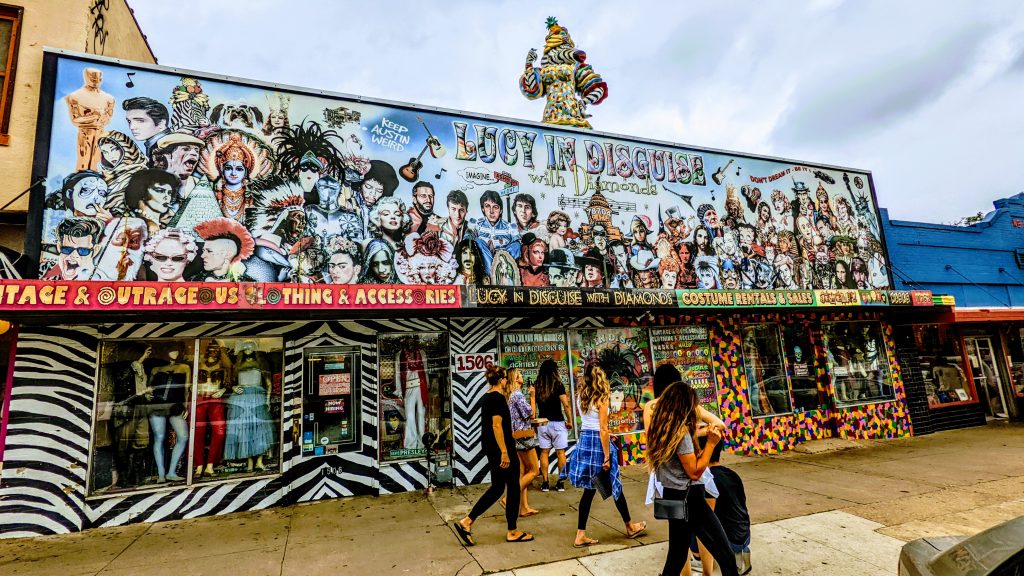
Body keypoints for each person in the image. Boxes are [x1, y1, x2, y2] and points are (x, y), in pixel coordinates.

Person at [646, 382, 739, 576]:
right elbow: (695, 472)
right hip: (691, 499)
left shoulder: (662, 431)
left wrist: (702, 432)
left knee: (677, 556)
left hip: (673, 496)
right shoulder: (680, 434)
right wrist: (712, 444)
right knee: (726, 556)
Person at [567, 363, 647, 548]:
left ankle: (581, 534)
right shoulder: (601, 398)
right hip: (598, 445)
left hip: (586, 441)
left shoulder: (581, 397)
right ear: (600, 378)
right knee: (614, 484)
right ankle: (629, 527)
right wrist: (606, 456)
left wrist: (605, 433)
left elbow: (591, 424)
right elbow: (602, 429)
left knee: (591, 489)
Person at [453, 365, 534, 545]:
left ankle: (467, 521)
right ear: (500, 380)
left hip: (493, 447)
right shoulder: (497, 399)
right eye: (505, 378)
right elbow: (496, 426)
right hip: (501, 449)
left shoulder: (488, 397)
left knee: (498, 487)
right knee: (513, 487)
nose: (507, 381)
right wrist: (504, 452)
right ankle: (512, 531)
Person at [704, 436, 752, 575]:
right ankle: (742, 553)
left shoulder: (708, 481)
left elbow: (706, 521)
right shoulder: (732, 474)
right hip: (744, 534)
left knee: (691, 524)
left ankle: (699, 561)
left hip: (730, 541)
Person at [502, 367, 540, 518]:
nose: (522, 376)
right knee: (534, 471)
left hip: (516, 436)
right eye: (520, 375)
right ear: (515, 379)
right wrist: (532, 396)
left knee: (522, 472)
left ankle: (524, 508)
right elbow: (530, 414)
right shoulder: (518, 395)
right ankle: (509, 497)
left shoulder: (511, 395)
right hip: (525, 437)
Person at [534, 359, 572, 492]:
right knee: (560, 453)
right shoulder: (558, 385)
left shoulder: (537, 385)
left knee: (544, 452)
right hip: (557, 423)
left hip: (543, 423)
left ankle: (545, 482)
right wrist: (570, 420)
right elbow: (566, 405)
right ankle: (560, 483)